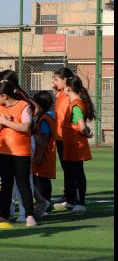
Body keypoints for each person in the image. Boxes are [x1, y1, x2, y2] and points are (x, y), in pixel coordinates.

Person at [0, 79, 36, 227]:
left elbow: (25, 128)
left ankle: (29, 215)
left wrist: (6, 122)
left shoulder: (24, 106)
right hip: (3, 151)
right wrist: (0, 123)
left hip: (21, 152)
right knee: (6, 184)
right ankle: (4, 214)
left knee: (23, 184)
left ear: (4, 96)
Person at [53, 75, 94, 213]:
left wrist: (87, 134)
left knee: (77, 174)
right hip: (71, 144)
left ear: (68, 88)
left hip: (75, 145)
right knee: (71, 173)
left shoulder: (76, 104)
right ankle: (71, 201)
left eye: (64, 87)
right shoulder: (74, 102)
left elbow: (81, 126)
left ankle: (80, 202)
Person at [51, 67, 75, 204]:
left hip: (66, 136)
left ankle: (73, 195)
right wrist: (55, 88)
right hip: (59, 136)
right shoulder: (61, 93)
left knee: (70, 168)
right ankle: (69, 194)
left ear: (65, 80)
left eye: (57, 79)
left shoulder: (69, 94)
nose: (55, 82)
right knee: (67, 168)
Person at [31, 90, 56, 217]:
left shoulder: (45, 118)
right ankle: (47, 203)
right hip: (46, 153)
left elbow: (45, 137)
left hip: (44, 153)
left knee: (41, 180)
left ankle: (45, 203)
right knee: (43, 179)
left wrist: (40, 154)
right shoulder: (49, 115)